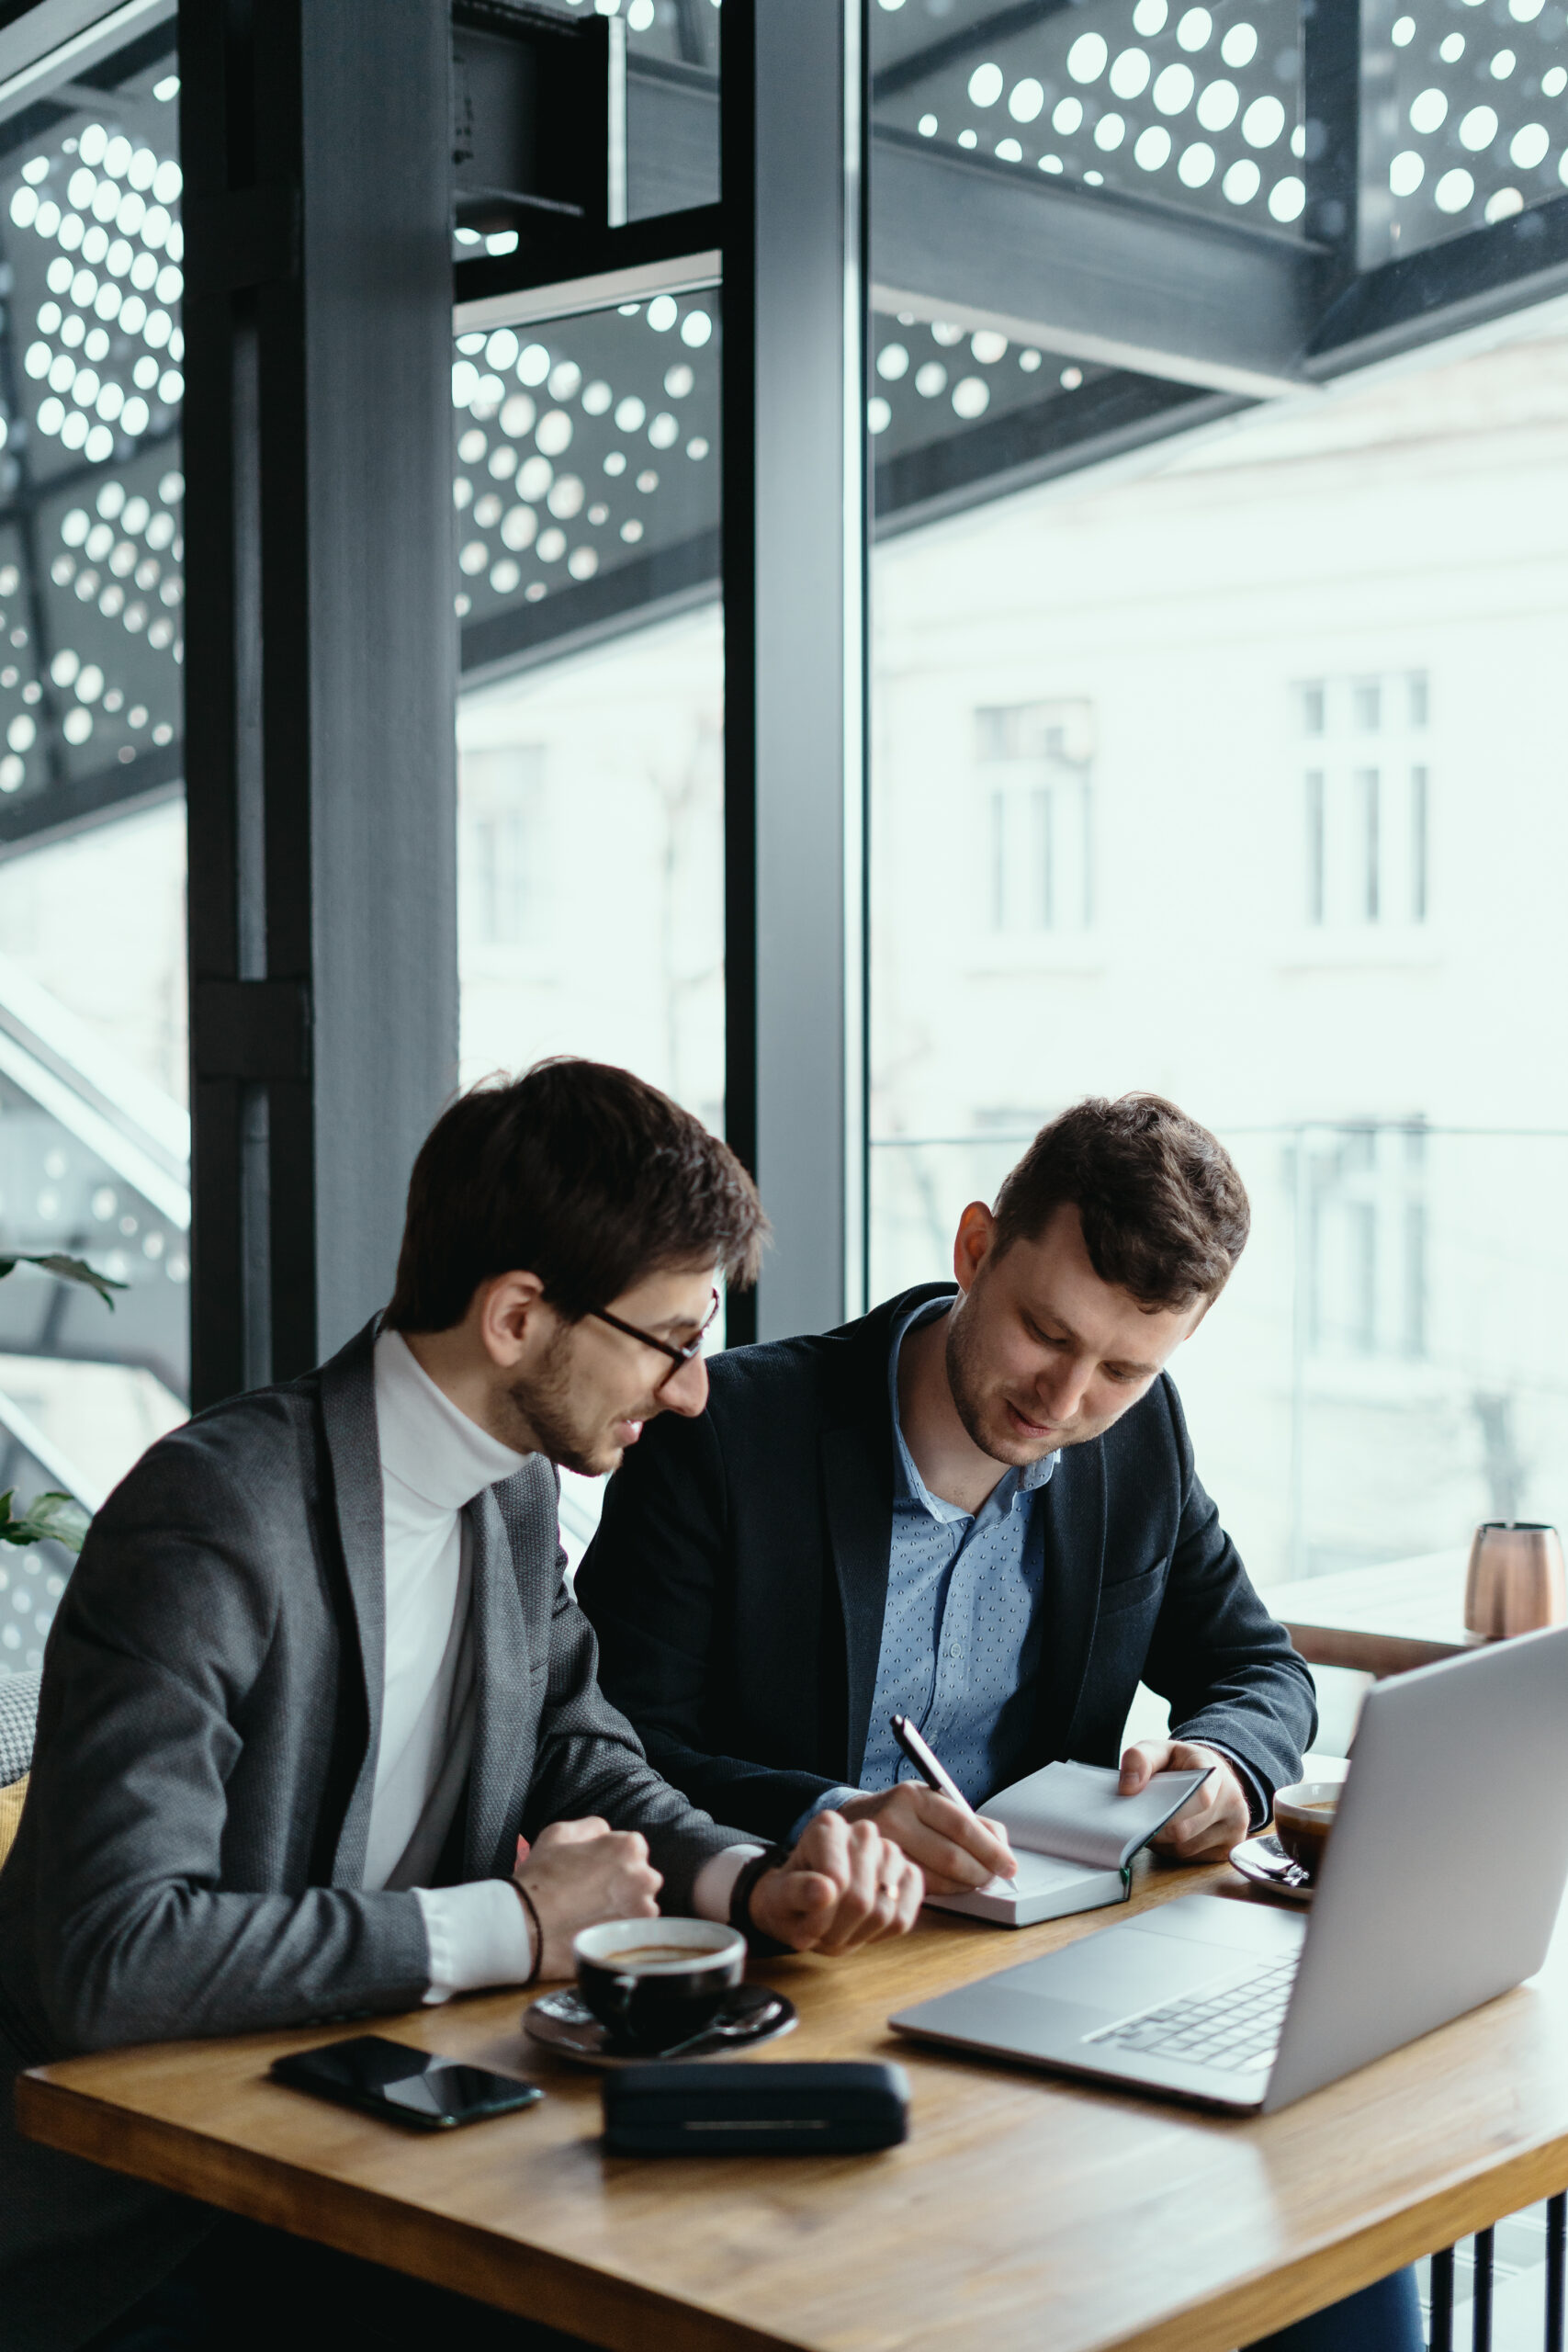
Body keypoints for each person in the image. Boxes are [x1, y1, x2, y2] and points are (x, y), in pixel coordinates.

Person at [0, 1059, 923, 2352]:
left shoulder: (512, 1486)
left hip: (379, 2137)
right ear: (517, 1319)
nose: (695, 1389)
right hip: (143, 2228)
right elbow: (112, 1962)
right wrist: (514, 1926)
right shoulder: (215, 1516)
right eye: (670, 1340)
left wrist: (754, 1886)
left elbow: (578, 1750)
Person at [576, 1091, 1422, 2352]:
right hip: (803, 2007)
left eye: (1125, 1370)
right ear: (975, 1249)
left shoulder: (1139, 1443)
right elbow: (612, 1749)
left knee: (1343, 2247)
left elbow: (1257, 1663)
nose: (1067, 1402)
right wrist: (831, 1817)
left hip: (1040, 1988)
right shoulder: (727, 1437)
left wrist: (1229, 1768)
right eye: (1045, 1333)